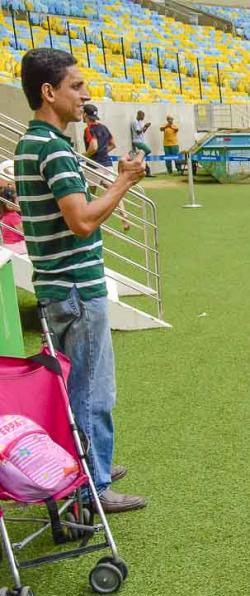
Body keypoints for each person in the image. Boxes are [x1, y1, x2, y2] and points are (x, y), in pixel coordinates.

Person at [15, 48, 148, 513]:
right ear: (49, 93)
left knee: (77, 388)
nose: (85, 95)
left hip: (57, 285)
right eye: (76, 85)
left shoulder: (33, 144)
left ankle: (93, 464)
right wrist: (124, 181)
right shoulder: (52, 147)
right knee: (93, 390)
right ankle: (93, 485)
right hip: (75, 287)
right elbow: (82, 222)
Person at [82, 103, 114, 168]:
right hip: (108, 165)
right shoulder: (104, 127)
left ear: (85, 114)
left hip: (95, 166)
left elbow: (94, 147)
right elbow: (113, 144)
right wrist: (102, 152)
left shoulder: (88, 129)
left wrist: (85, 155)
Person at [0, 185, 26, 255]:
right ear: (10, 205)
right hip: (16, 246)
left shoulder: (6, 215)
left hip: (10, 245)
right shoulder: (12, 216)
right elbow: (25, 231)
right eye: (18, 202)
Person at [130, 109, 153, 177]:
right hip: (137, 141)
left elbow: (142, 132)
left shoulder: (139, 122)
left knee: (143, 155)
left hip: (141, 140)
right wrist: (144, 126)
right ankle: (138, 158)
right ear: (139, 115)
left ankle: (140, 159)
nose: (143, 117)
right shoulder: (135, 122)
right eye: (142, 116)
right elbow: (138, 132)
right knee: (148, 150)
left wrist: (146, 127)